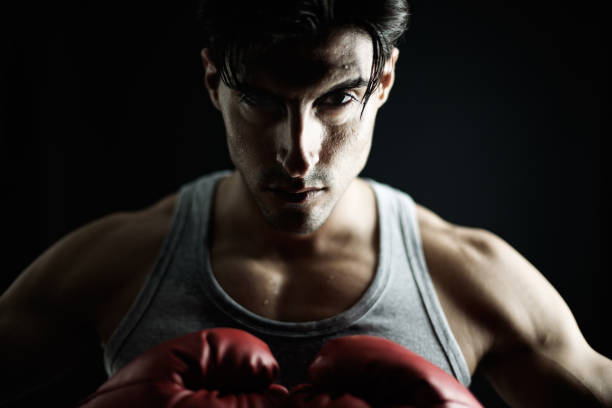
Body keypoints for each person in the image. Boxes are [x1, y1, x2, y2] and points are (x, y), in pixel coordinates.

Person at [1, 0, 610, 406]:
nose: (299, 154)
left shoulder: (470, 278)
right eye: (263, 102)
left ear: (385, 83)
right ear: (215, 84)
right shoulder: (116, 263)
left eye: (338, 98)